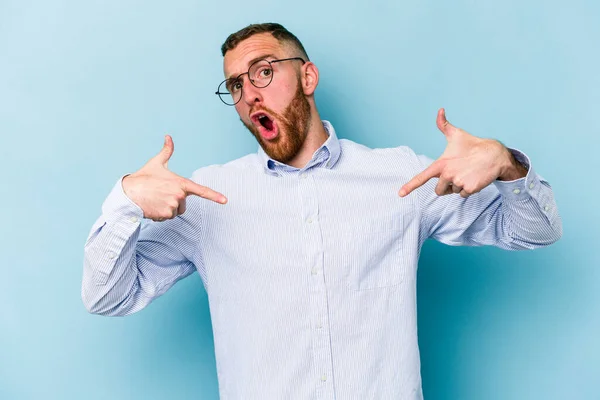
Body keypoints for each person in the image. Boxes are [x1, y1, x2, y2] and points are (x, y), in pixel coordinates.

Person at [81, 22, 562, 399]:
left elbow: (536, 231)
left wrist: (507, 165)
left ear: (307, 76)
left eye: (264, 71)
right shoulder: (208, 198)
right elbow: (107, 297)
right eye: (235, 85)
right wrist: (125, 200)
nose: (250, 94)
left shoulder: (401, 178)